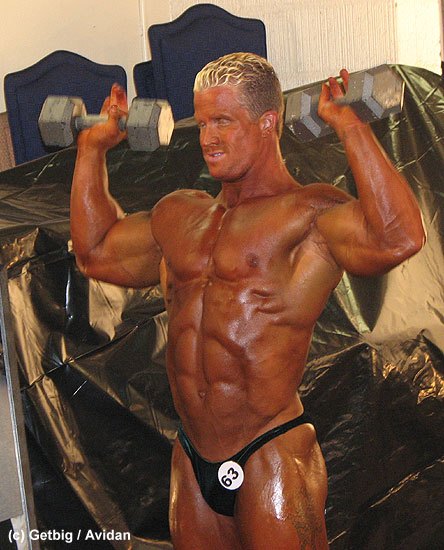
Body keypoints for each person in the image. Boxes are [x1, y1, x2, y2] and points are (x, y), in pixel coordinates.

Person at [70, 53, 425, 550]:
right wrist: (91, 150)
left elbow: (398, 238)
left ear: (268, 123)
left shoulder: (307, 214)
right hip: (193, 456)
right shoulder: (179, 214)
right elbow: (94, 252)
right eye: (202, 122)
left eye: (223, 121)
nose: (208, 138)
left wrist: (351, 127)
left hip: (269, 451)